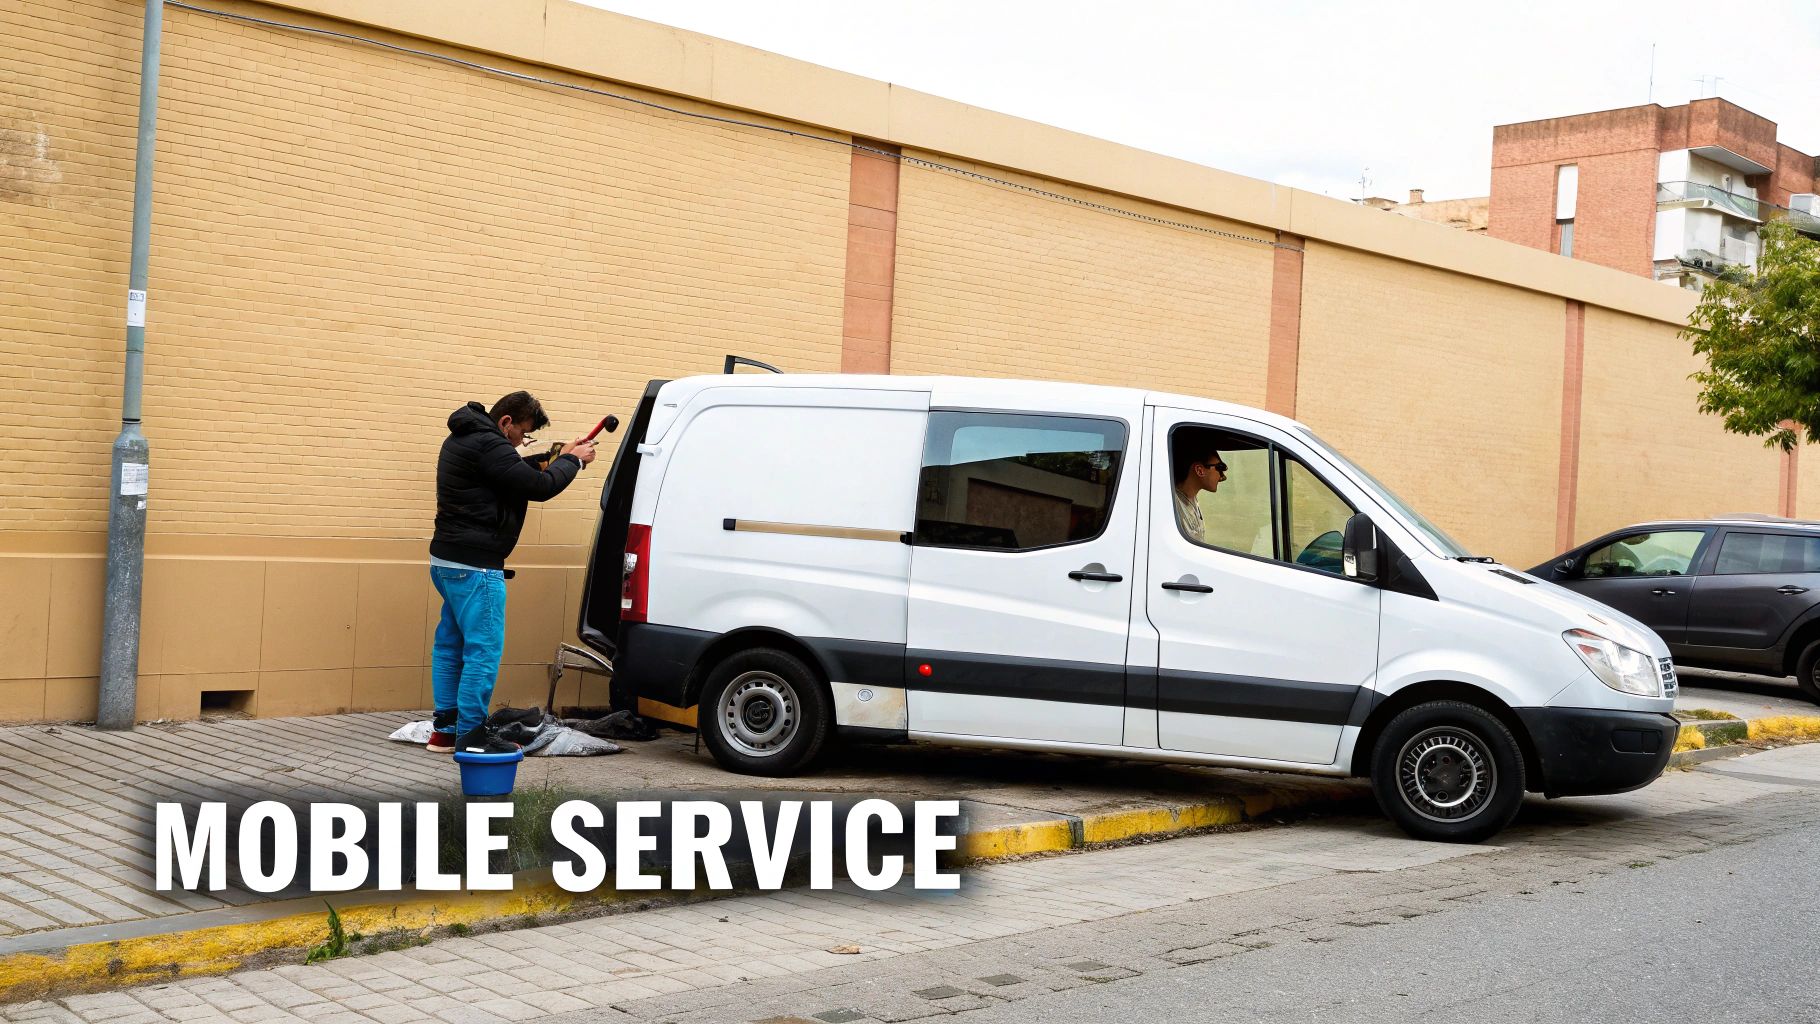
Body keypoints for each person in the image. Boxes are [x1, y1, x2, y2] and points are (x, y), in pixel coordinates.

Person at [427, 392, 596, 754]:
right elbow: (539, 487)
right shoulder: (489, 444)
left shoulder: (465, 437)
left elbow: (513, 473)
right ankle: (472, 738)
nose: (523, 441)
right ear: (505, 422)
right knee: (482, 651)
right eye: (523, 433)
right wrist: (574, 463)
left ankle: (445, 731)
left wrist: (560, 455)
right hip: (476, 567)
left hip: (446, 561)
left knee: (450, 646)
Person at [1171, 433, 1227, 544]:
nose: (1223, 476)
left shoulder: (1191, 501)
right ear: (1200, 470)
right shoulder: (1174, 506)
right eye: (1219, 468)